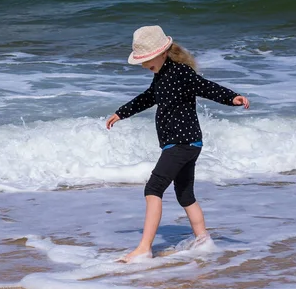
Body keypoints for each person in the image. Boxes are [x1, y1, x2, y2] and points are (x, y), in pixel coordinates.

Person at [106, 25, 250, 263]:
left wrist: (231, 97)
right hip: (185, 144)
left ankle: (144, 248)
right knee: (185, 194)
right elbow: (146, 98)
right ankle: (204, 241)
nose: (144, 65)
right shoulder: (160, 77)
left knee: (153, 188)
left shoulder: (182, 73)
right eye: (141, 61)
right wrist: (121, 113)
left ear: (163, 53)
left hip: (182, 144)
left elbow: (206, 87)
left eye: (147, 59)